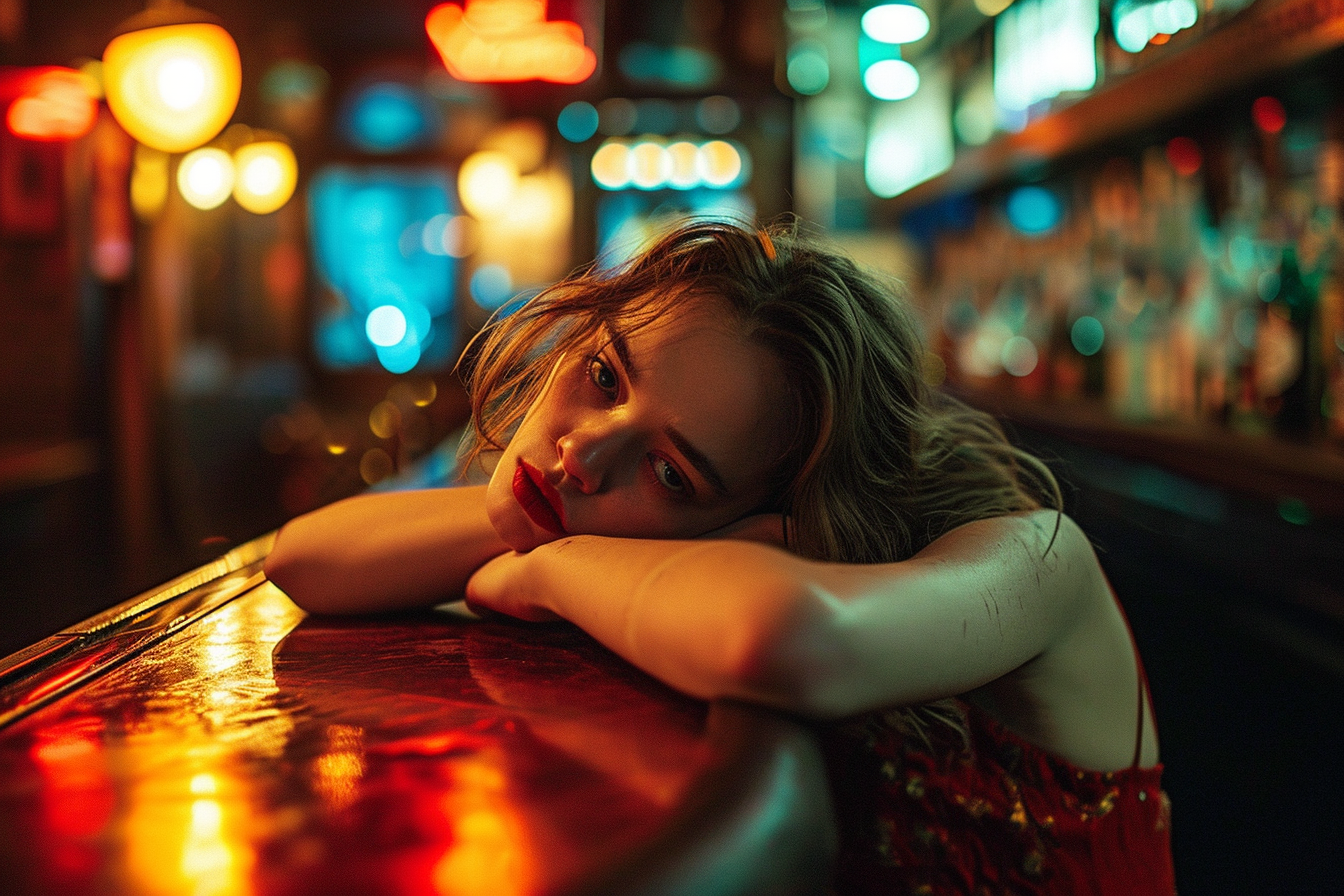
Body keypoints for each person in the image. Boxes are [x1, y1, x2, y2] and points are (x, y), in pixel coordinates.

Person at [264, 218, 1176, 894]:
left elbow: (781, 640)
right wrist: (551, 536)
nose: (584, 451)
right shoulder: (627, 523)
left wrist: (543, 568)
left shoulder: (1041, 556)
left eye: (670, 470)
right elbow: (307, 558)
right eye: (604, 375)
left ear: (774, 517)